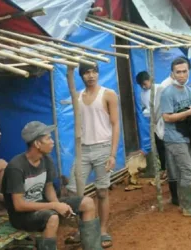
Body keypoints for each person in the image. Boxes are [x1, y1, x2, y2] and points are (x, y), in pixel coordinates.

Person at [2, 121, 102, 250]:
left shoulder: (46, 160)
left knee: (87, 203)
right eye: (48, 138)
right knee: (52, 218)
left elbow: (48, 187)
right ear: (37, 144)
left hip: (43, 206)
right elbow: (19, 205)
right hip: (21, 216)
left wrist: (58, 205)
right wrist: (54, 206)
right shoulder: (16, 167)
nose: (52, 142)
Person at [66, 62, 119, 248]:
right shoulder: (78, 96)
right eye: (87, 72)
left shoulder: (108, 94)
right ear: (81, 76)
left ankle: (103, 229)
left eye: (94, 71)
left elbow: (115, 124)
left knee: (102, 191)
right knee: (73, 190)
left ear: (98, 73)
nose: (91, 75)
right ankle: (84, 228)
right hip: (83, 149)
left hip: (103, 148)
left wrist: (112, 154)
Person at [160, 57, 191, 217]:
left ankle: (184, 203)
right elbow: (166, 117)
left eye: (184, 71)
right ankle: (188, 207)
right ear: (172, 74)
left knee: (183, 171)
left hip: (187, 135)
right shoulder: (167, 92)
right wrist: (189, 112)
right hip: (174, 138)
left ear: (189, 71)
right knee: (187, 170)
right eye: (178, 72)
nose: (181, 75)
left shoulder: (187, 89)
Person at [136, 71, 166, 178]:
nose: (144, 86)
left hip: (164, 120)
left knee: (167, 144)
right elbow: (146, 107)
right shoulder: (142, 94)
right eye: (141, 85)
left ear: (150, 80)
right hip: (154, 122)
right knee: (159, 146)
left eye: (145, 83)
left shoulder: (159, 88)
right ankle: (163, 168)